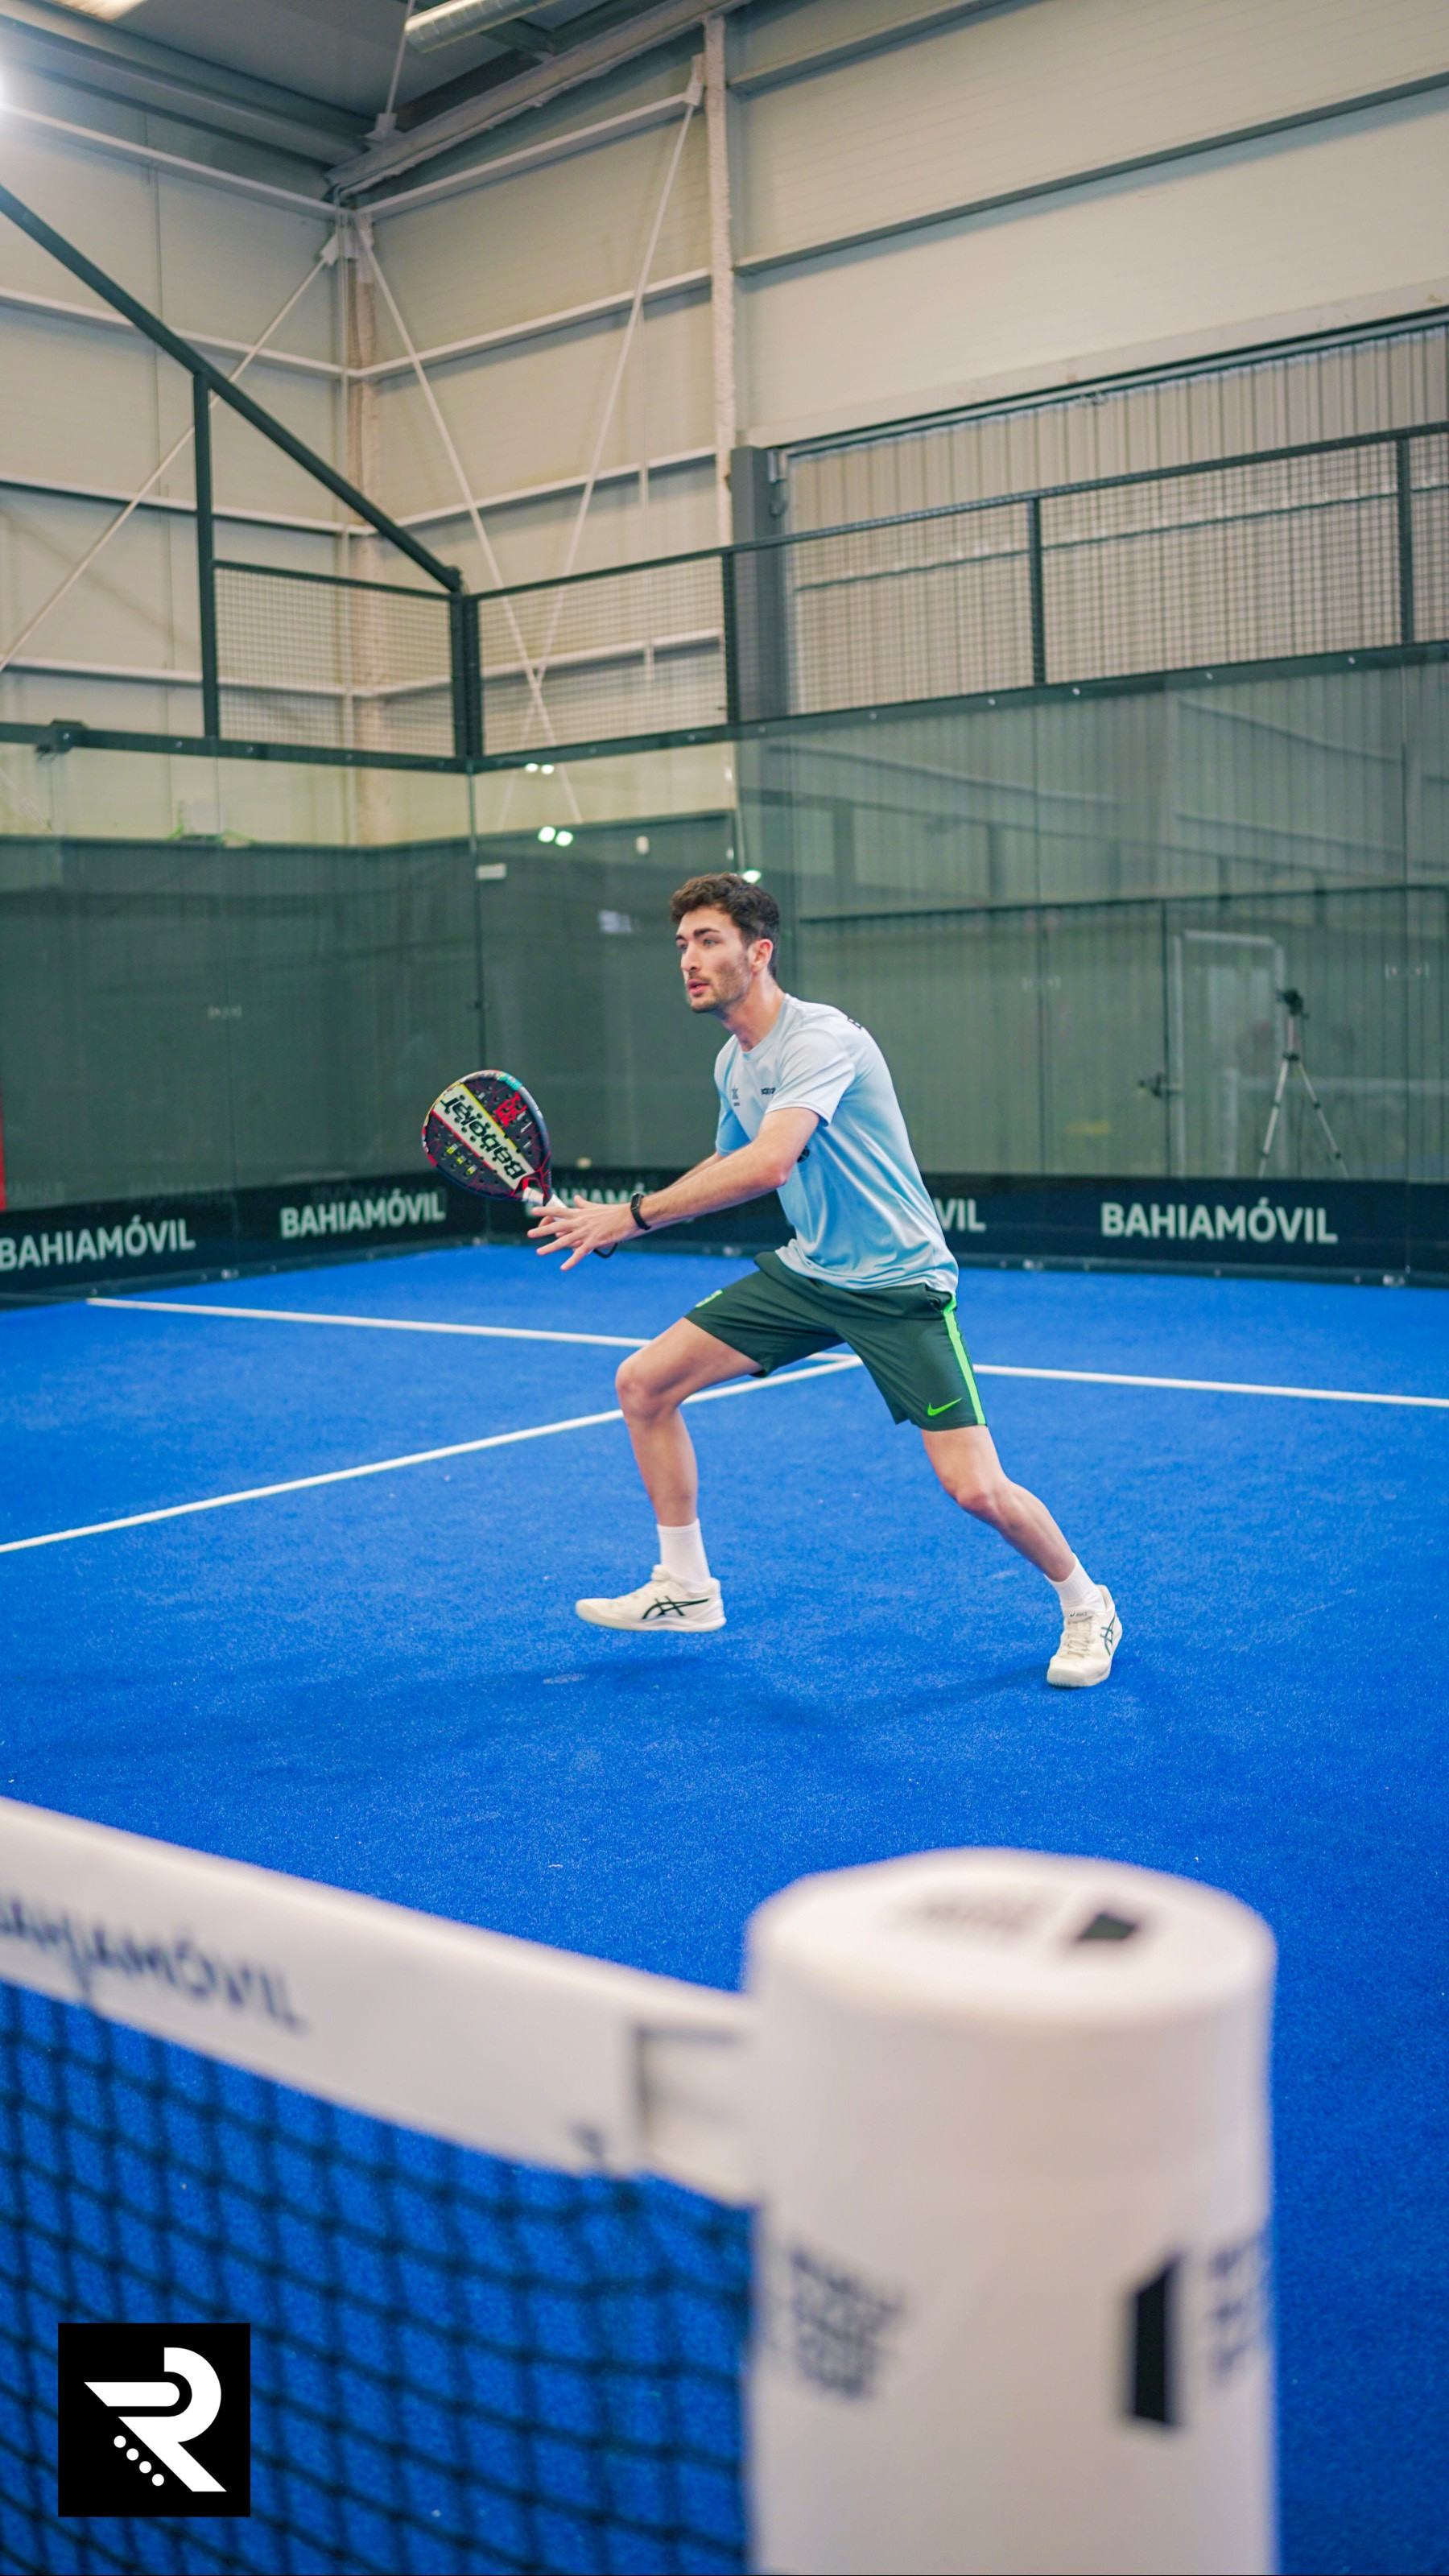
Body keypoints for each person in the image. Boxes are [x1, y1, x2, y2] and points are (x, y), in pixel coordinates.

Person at [530, 873, 1120, 1687]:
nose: (688, 960)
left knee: (975, 1488)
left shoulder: (818, 1040)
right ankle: (686, 1586)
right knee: (644, 1383)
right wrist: (618, 1218)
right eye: (682, 944)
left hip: (899, 1284)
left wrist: (630, 1216)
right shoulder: (734, 1062)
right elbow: (730, 1158)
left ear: (758, 953)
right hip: (812, 1271)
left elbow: (770, 1164)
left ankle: (1088, 1603)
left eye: (708, 941)